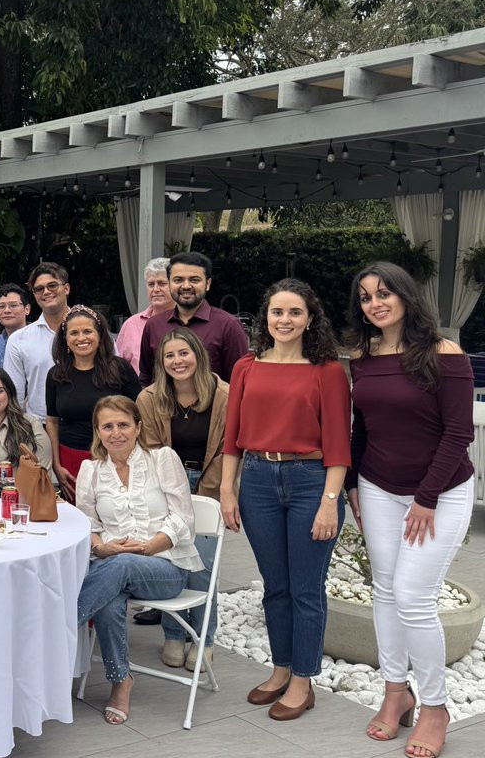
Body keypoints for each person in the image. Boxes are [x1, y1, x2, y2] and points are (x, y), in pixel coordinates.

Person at [347, 262, 474, 758]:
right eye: (365, 297)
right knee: (384, 589)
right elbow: (362, 427)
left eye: (384, 294)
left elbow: (458, 432)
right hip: (378, 487)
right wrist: (353, 484)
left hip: (441, 492)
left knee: (413, 597)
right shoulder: (363, 357)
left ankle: (436, 707)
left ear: (405, 296)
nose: (375, 304)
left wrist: (426, 497)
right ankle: (396, 692)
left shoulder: (444, 353)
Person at [220, 278, 350, 722]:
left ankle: (302, 680)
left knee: (305, 589)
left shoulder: (327, 371)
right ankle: (280, 669)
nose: (285, 320)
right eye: (278, 311)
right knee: (275, 586)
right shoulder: (246, 367)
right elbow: (232, 437)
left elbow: (339, 443)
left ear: (310, 319)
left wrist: (330, 501)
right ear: (266, 317)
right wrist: (227, 490)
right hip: (257, 481)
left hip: (310, 482)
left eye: (295, 312)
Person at [75, 395, 203, 726]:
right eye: (107, 426)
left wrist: (146, 547)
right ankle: (121, 681)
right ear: (98, 431)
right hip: (112, 567)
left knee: (121, 565)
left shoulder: (162, 459)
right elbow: (88, 526)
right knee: (109, 597)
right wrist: (102, 548)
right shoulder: (91, 470)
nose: (116, 433)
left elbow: (184, 519)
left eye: (123, 425)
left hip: (164, 567)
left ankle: (62, 625)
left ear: (138, 427)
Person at [137, 328, 230, 670]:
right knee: (172, 561)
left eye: (183, 353)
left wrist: (207, 493)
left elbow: (229, 449)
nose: (177, 361)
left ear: (198, 355)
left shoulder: (225, 395)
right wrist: (174, 495)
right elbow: (150, 451)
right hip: (166, 486)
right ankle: (174, 634)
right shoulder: (149, 398)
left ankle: (204, 639)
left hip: (210, 484)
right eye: (169, 356)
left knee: (202, 568)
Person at [45, 305, 140, 502]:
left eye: (87, 331)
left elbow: (139, 415)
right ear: (65, 339)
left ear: (100, 335)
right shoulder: (56, 375)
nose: (81, 338)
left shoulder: (120, 369)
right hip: (71, 461)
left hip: (115, 457)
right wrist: (56, 465)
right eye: (74, 333)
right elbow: (52, 421)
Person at [138, 251, 248, 385]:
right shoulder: (154, 325)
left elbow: (239, 381)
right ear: (170, 283)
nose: (186, 286)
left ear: (208, 284)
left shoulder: (228, 326)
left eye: (194, 280)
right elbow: (146, 378)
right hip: (162, 399)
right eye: (178, 280)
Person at [3, 262, 72, 419]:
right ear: (34, 295)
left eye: (52, 285)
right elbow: (15, 395)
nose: (46, 292)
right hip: (39, 424)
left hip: (90, 423)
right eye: (39, 289)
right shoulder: (19, 340)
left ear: (66, 288)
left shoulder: (92, 332)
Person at [115, 257, 171, 369]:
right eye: (151, 284)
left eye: (162, 283)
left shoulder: (187, 320)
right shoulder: (131, 324)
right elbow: (117, 367)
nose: (156, 289)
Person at [0, 283, 31, 367]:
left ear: (27, 309)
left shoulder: (39, 339)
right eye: (1, 306)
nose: (6, 310)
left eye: (13, 305)